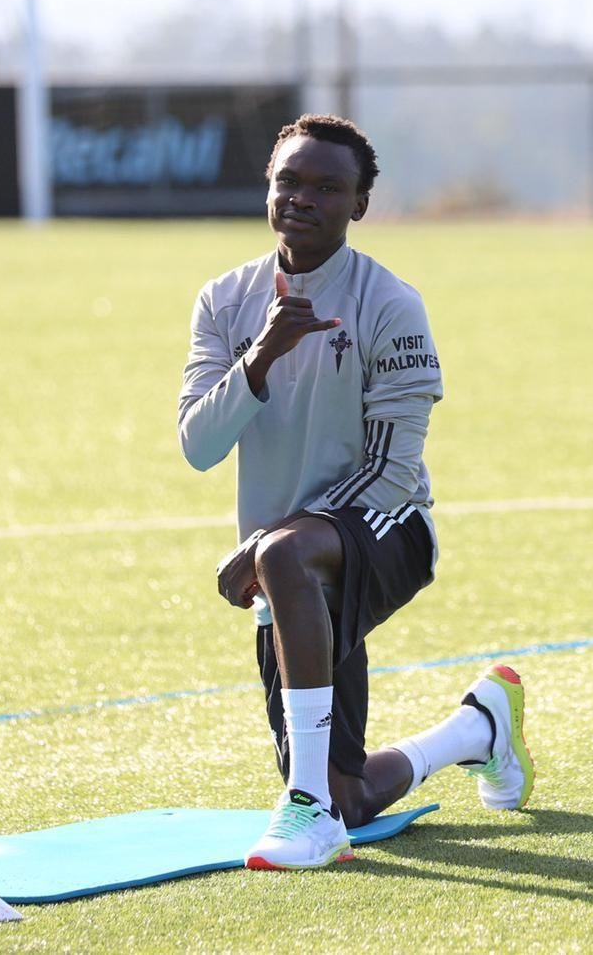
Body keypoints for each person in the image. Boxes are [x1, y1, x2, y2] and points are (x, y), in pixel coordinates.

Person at [177, 114, 534, 871]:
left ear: (359, 206)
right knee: (350, 794)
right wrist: (262, 356)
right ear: (268, 190)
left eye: (328, 187)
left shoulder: (390, 304)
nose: (303, 198)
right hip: (286, 570)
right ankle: (476, 731)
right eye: (289, 182)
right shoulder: (224, 302)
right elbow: (199, 446)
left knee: (284, 554)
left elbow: (395, 469)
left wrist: (276, 545)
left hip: (389, 530)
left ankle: (303, 812)